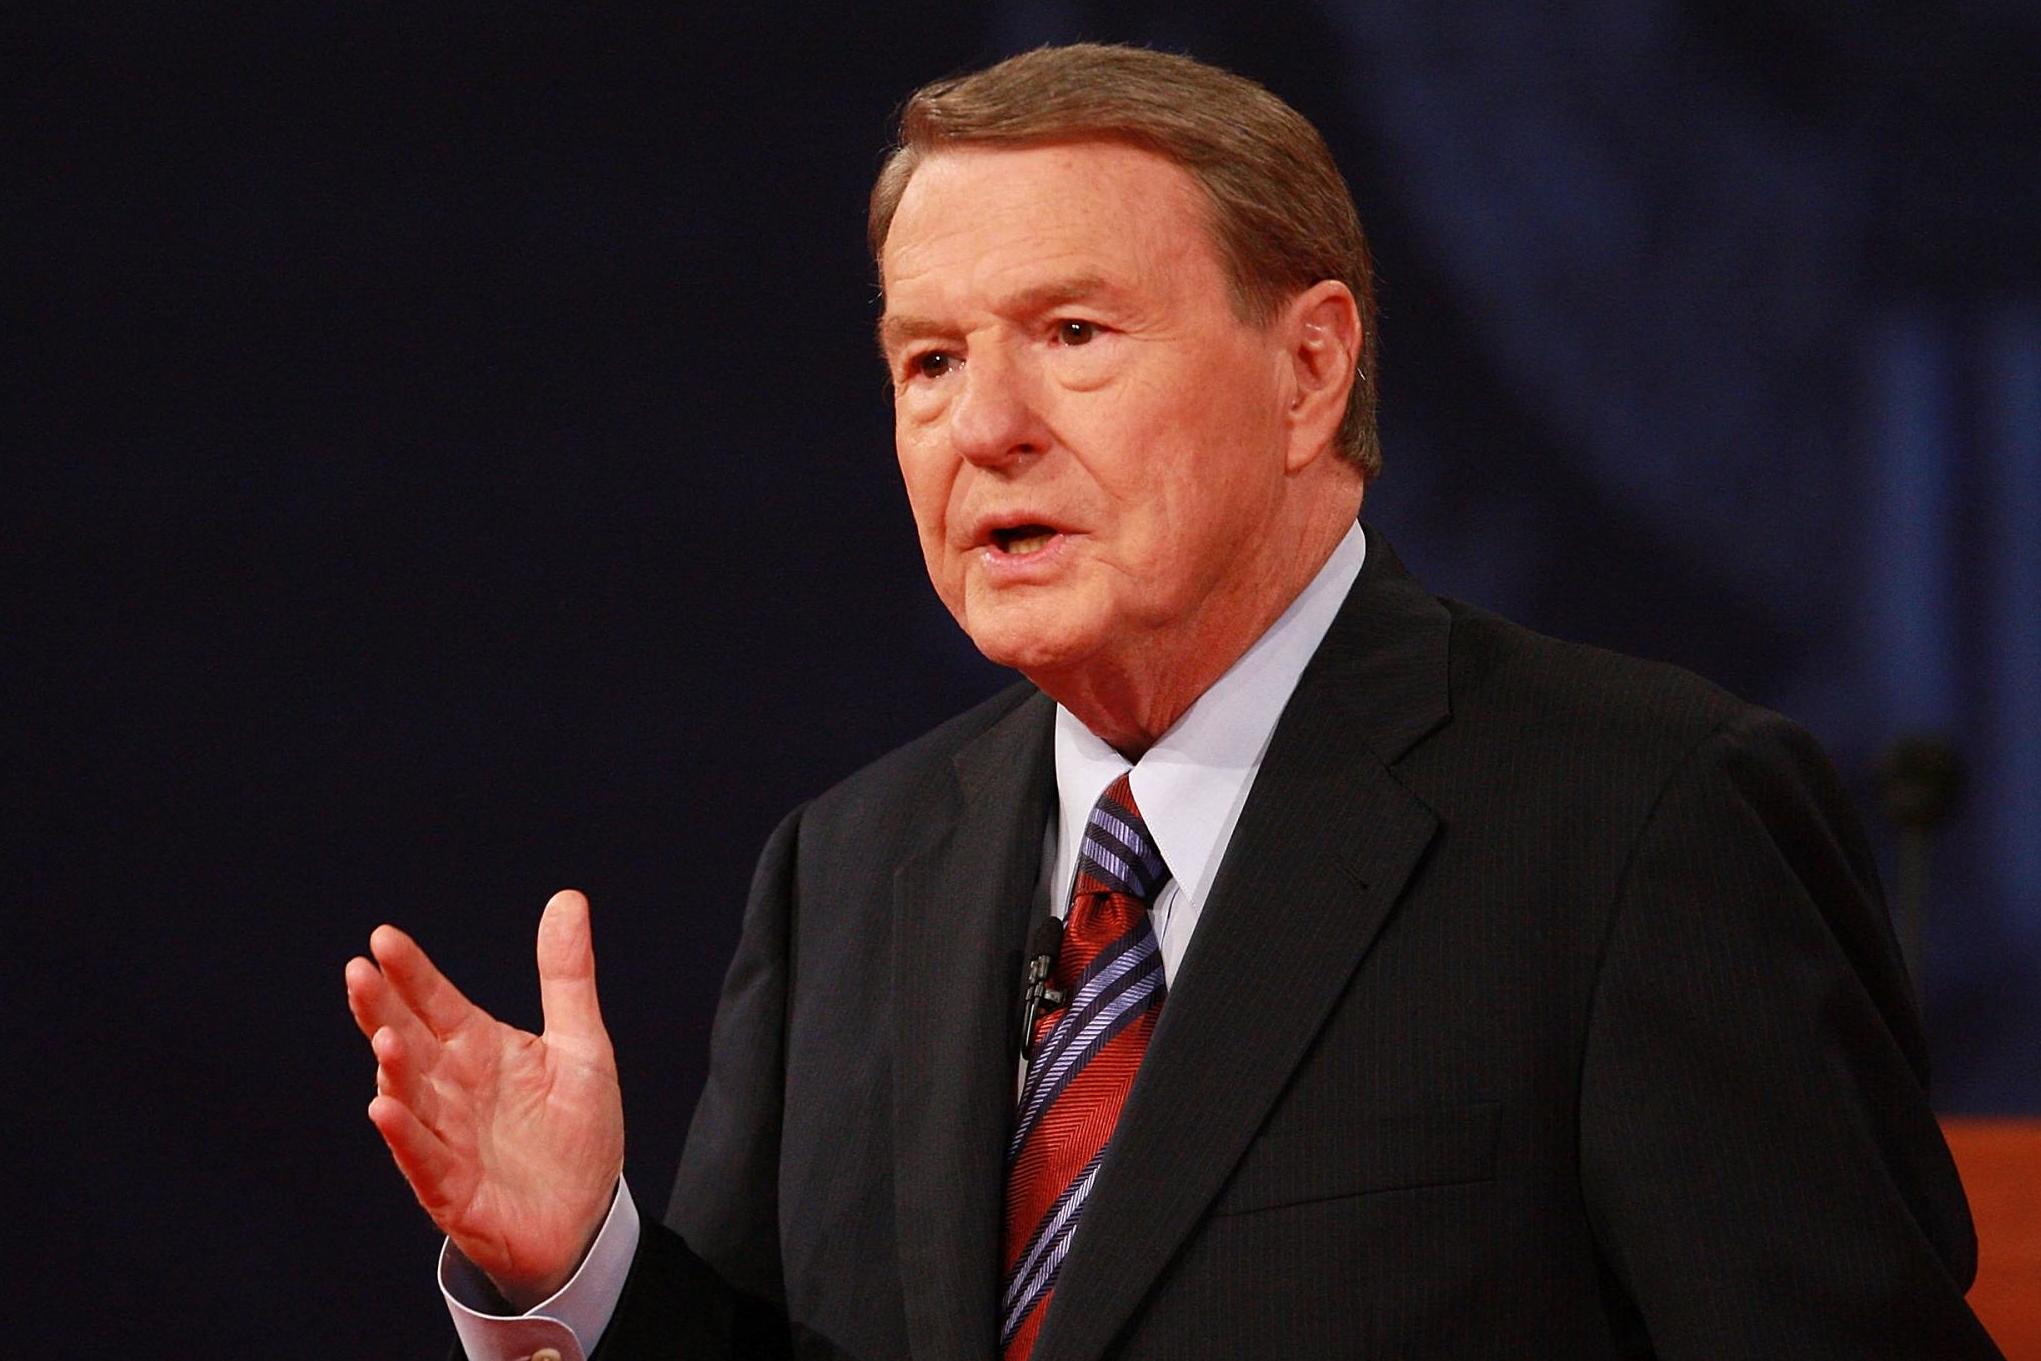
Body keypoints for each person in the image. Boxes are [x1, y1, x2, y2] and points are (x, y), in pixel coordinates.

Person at [345, 43, 2002, 1361]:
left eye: (1070, 332)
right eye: (925, 361)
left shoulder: (1639, 817)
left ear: (1308, 371)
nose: (979, 424)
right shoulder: (847, 870)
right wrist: (584, 1265)